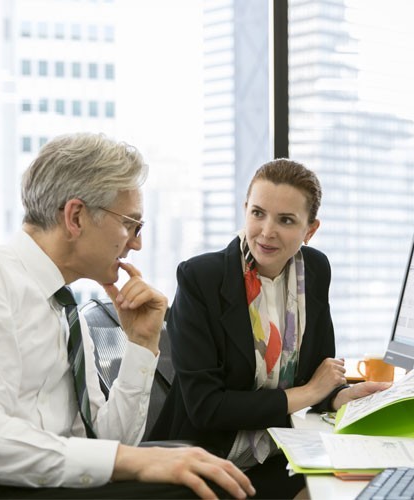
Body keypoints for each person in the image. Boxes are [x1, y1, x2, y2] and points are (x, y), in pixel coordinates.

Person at [0, 133, 255, 500]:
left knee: (194, 470)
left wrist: (141, 344)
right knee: (190, 487)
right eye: (131, 224)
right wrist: (137, 462)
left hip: (22, 487)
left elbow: (108, 442)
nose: (136, 243)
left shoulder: (65, 311)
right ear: (76, 216)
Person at [150, 159, 389, 498]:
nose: (267, 231)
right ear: (245, 209)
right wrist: (309, 395)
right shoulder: (200, 278)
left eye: (286, 220)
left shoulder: (315, 271)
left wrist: (339, 398)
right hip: (203, 462)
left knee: (363, 481)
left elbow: (316, 373)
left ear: (310, 229)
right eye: (258, 213)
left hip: (275, 451)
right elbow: (206, 407)